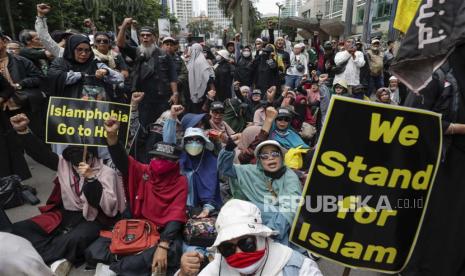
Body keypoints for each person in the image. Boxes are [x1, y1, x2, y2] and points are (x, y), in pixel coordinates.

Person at [9, 113, 126, 276]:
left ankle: (41, 257)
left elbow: (108, 208)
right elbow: (41, 154)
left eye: (79, 151)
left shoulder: (106, 173)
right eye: (70, 151)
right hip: (67, 213)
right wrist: (23, 131)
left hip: (96, 217)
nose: (74, 157)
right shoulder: (65, 164)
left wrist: (91, 178)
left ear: (92, 153)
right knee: (22, 228)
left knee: (74, 239)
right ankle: (57, 255)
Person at [105, 115, 188, 275]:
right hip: (139, 226)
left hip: (165, 231)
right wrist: (112, 138)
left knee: (173, 252)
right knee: (102, 248)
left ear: (175, 163)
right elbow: (123, 162)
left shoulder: (180, 181)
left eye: (166, 159)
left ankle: (117, 269)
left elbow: (176, 214)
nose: (160, 162)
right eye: (157, 157)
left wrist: (163, 245)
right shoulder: (144, 171)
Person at [177, 199, 323, 276]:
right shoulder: (220, 265)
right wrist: (183, 274)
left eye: (246, 243)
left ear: (262, 237)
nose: (238, 253)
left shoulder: (300, 269)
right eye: (227, 248)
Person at [218, 139, 303, 245]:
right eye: (264, 156)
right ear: (259, 160)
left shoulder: (289, 176)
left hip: (282, 220)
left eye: (275, 154)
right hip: (253, 219)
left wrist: (272, 231)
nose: (270, 158)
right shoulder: (250, 171)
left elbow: (291, 205)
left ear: (281, 157)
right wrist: (228, 150)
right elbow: (225, 169)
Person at [116, 18, 178, 126]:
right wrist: (124, 25)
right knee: (142, 126)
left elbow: (172, 75)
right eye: (142, 35)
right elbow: (120, 44)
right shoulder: (136, 52)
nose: (145, 37)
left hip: (161, 98)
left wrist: (175, 93)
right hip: (142, 98)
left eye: (148, 35)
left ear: (154, 37)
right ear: (140, 38)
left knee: (161, 126)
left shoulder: (164, 54)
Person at [0, 31, 43, 179]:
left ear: (4, 42)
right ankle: (16, 182)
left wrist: (19, 85)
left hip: (25, 105)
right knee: (12, 147)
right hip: (4, 112)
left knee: (37, 138)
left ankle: (60, 169)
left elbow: (38, 77)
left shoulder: (20, 61)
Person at [46, 34, 124, 100]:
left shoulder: (95, 64)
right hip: (67, 110)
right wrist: (81, 75)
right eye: (79, 50)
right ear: (71, 49)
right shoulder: (60, 62)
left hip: (92, 109)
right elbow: (55, 77)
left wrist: (106, 71)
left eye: (87, 50)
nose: (83, 54)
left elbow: (120, 78)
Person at [93, 31, 129, 102]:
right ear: (95, 43)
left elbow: (125, 74)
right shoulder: (91, 56)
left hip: (117, 91)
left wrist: (109, 73)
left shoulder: (116, 56)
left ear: (109, 43)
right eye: (98, 40)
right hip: (98, 92)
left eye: (105, 41)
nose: (102, 42)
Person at [187, 43, 215, 113]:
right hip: (200, 93)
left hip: (202, 94)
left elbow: (209, 79)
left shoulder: (200, 62)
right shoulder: (194, 62)